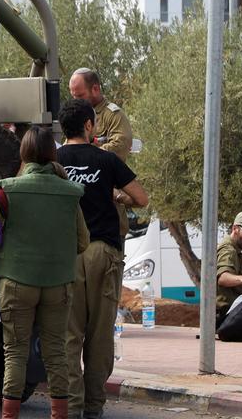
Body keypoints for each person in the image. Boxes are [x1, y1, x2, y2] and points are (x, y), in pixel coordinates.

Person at [0, 125, 88, 419]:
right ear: (53, 153)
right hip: (58, 284)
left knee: (15, 354)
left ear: (23, 153)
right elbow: (82, 241)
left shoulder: (6, 191)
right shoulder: (70, 193)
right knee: (56, 355)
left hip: (15, 283)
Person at [57, 99, 149, 419]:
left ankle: (70, 405)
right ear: (88, 126)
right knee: (99, 335)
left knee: (68, 335)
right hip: (103, 253)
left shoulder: (53, 161)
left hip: (64, 256)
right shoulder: (107, 160)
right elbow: (141, 198)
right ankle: (93, 407)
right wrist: (116, 194)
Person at [68, 68, 138, 236]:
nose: (75, 101)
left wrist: (86, 152)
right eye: (73, 96)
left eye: (80, 96)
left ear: (95, 89)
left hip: (108, 204)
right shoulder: (75, 116)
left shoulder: (113, 115)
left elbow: (120, 146)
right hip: (80, 210)